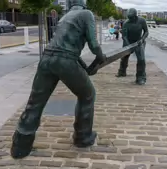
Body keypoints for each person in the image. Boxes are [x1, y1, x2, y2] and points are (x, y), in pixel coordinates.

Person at [11, 0, 105, 159]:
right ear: (84, 4)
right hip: (65, 61)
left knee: (35, 102)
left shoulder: (65, 16)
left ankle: (20, 147)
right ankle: (83, 137)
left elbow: (63, 46)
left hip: (47, 59)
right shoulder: (86, 14)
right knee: (87, 95)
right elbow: (93, 44)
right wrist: (101, 56)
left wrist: (83, 67)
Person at [116, 8, 149, 85]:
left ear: (135, 16)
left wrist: (142, 39)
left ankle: (140, 77)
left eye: (131, 18)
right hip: (128, 42)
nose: (129, 19)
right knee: (124, 57)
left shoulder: (142, 21)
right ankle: (122, 71)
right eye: (128, 18)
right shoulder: (125, 23)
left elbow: (146, 32)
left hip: (138, 42)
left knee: (141, 59)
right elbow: (124, 36)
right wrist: (128, 46)